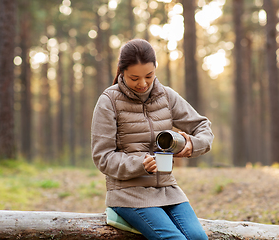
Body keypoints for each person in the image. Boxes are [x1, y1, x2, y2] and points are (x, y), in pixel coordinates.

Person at [91, 39, 213, 240]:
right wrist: (140, 164)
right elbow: (102, 157)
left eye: (149, 76)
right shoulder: (108, 101)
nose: (143, 84)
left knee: (198, 237)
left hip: (167, 189)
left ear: (155, 68)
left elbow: (203, 127)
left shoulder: (166, 96)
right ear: (121, 72)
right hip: (128, 193)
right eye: (134, 78)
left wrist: (193, 144)